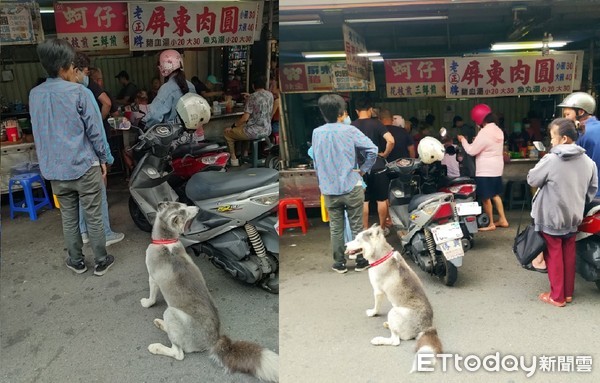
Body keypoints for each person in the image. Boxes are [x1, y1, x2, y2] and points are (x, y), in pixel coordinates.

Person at [29, 38, 114, 276]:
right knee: (93, 215)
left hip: (55, 170)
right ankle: (100, 260)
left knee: (68, 217)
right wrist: (106, 159)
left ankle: (76, 261)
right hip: (84, 166)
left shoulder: (34, 95)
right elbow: (96, 132)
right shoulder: (80, 92)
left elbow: (40, 133)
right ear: (67, 64)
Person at [527, 118, 598, 307]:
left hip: (551, 216)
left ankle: (556, 297)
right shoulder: (588, 162)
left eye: (553, 137)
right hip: (574, 215)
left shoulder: (551, 159)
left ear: (564, 138)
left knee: (554, 254)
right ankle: (567, 294)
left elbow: (532, 179)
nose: (551, 142)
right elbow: (592, 190)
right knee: (568, 252)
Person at [311, 94, 378, 273]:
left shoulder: (316, 133)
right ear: (342, 113)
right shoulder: (350, 131)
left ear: (323, 113)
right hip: (351, 185)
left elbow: (316, 160)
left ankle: (339, 263)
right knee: (357, 225)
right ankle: (361, 261)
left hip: (329, 189)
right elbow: (373, 149)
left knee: (335, 227)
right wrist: (364, 169)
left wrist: (322, 181)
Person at [72, 54, 125, 247]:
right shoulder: (86, 90)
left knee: (80, 194)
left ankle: (84, 232)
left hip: (73, 155)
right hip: (92, 150)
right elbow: (105, 109)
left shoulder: (52, 92)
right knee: (99, 191)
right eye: (85, 72)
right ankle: (105, 235)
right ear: (77, 70)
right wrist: (105, 157)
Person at [457, 104, 509, 231]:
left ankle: (491, 223)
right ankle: (503, 219)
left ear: (480, 119)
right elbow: (488, 145)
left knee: (486, 197)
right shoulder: (498, 130)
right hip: (496, 167)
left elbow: (471, 151)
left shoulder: (484, 132)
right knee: (495, 195)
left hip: (485, 169)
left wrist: (463, 140)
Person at [351, 96, 395, 233]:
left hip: (360, 169)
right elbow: (391, 140)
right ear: (370, 110)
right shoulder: (377, 124)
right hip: (377, 165)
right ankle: (381, 229)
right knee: (382, 199)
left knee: (364, 201)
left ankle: (364, 229)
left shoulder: (352, 126)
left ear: (357, 111)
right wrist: (385, 154)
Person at [224, 74, 273, 167]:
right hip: (267, 129)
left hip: (254, 131)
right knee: (244, 128)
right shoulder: (269, 94)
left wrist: (233, 126)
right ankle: (245, 155)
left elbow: (245, 118)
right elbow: (261, 100)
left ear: (253, 85)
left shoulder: (252, 97)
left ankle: (234, 159)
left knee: (227, 134)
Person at [558, 92, 600, 196]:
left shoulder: (580, 133)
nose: (566, 119)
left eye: (568, 114)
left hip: (588, 193)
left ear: (581, 112)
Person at [142, 50, 196, 128]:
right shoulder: (191, 86)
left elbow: (155, 116)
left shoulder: (167, 88)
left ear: (163, 67)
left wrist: (144, 124)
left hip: (172, 136)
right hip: (191, 134)